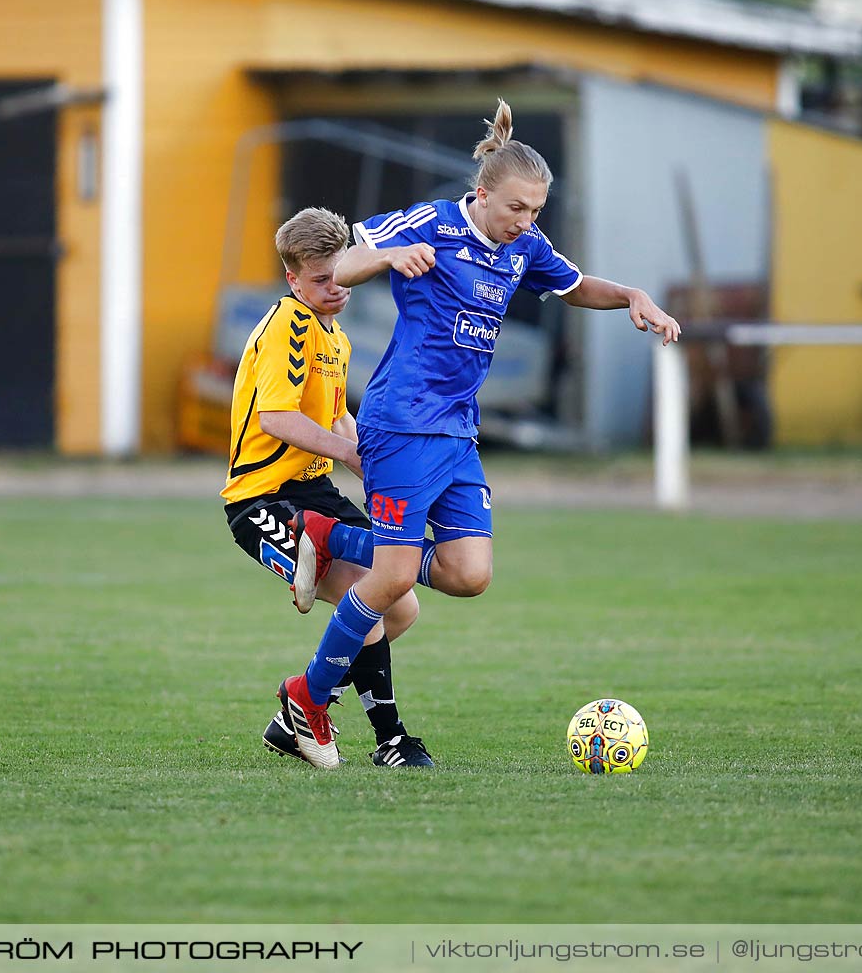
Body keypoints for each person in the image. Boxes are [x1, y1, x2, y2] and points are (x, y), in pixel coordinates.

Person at [271, 101, 682, 766]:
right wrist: (393, 255)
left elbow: (575, 286)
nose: (527, 222)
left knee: (469, 574)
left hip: (457, 432)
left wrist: (632, 294)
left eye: (537, 211)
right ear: (483, 194)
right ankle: (308, 697)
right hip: (400, 422)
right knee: (392, 575)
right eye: (517, 208)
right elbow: (340, 267)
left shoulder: (526, 249)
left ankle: (330, 536)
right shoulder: (431, 222)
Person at [222, 208, 434, 767]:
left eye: (340, 274)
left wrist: (379, 471)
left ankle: (303, 705)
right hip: (264, 500)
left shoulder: (332, 335)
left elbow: (340, 420)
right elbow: (276, 418)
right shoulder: (287, 325)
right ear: (293, 279)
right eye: (320, 280)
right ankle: (391, 739)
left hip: (317, 495)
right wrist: (346, 452)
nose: (335, 287)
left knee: (401, 605)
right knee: (368, 598)